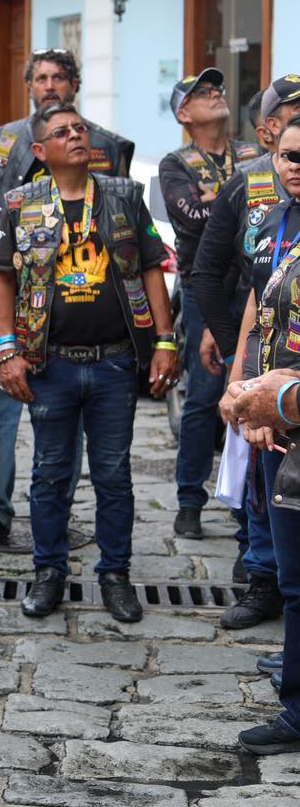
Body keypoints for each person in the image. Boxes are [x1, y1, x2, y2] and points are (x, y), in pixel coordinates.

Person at [0, 102, 176, 623]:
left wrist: (165, 340)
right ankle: (48, 572)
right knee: (50, 474)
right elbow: (1, 275)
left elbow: (151, 266)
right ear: (41, 151)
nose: (75, 136)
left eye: (80, 129)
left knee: (114, 475)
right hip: (50, 367)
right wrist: (8, 352)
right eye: (62, 132)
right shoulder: (19, 203)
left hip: (115, 363)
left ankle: (115, 575)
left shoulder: (122, 197)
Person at [0, 47, 134, 544]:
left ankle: (56, 505)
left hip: (75, 296)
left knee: (71, 402)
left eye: (59, 77)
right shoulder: (6, 140)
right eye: (40, 78)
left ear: (74, 84)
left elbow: (120, 228)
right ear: (29, 86)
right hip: (7, 290)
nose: (50, 85)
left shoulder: (104, 144)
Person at [194, 74, 300, 628]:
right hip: (260, 364)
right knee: (262, 483)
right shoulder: (255, 195)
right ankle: (264, 584)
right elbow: (213, 275)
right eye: (288, 149)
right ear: (269, 135)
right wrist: (239, 377)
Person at [158, 68, 263, 540]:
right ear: (185, 113)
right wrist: (232, 197)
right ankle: (189, 500)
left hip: (253, 282)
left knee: (254, 391)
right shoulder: (175, 162)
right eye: (202, 92)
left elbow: (263, 210)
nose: (215, 94)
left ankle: (247, 503)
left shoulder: (254, 152)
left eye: (216, 88)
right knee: (204, 394)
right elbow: (195, 217)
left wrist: (217, 197)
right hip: (205, 289)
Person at [224, 115, 300, 755]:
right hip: (281, 419)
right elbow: (260, 310)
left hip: (293, 404)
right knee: (294, 576)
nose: (295, 166)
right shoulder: (273, 222)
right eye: (286, 156)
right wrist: (244, 391)